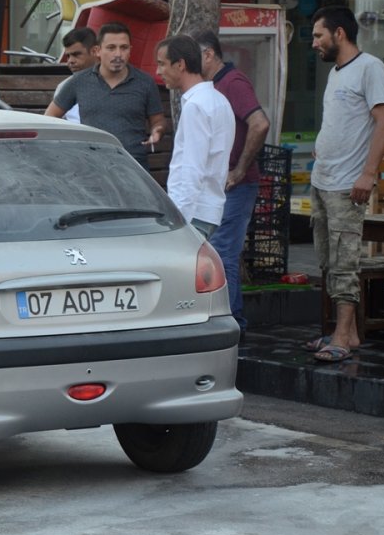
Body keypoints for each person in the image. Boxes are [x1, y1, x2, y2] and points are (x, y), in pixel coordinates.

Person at [307, 6, 384, 363]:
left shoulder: (370, 67)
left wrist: (368, 174)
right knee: (327, 259)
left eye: (318, 35)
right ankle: (348, 332)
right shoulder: (336, 74)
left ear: (338, 33)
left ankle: (342, 335)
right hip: (322, 179)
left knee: (345, 260)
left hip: (347, 184)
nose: (314, 43)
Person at [194, 29, 271, 336]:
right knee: (218, 250)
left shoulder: (233, 82)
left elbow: (260, 123)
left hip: (238, 184)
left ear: (208, 55)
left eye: (192, 56)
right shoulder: (212, 86)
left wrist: (239, 170)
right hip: (220, 184)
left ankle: (233, 321)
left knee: (223, 251)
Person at [46, 22, 166, 169]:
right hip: (91, 167)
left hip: (133, 168)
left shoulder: (145, 82)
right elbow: (50, 116)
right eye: (111, 48)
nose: (118, 54)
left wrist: (157, 131)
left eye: (124, 48)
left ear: (130, 50)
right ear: (97, 51)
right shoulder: (79, 81)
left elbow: (158, 121)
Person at [155, 34, 235, 239]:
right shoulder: (218, 100)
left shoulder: (197, 105)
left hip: (193, 213)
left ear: (180, 64)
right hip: (206, 209)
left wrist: (179, 218)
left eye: (162, 64)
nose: (158, 71)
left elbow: (192, 168)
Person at [54, 27, 100, 123]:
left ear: (95, 51)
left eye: (76, 54)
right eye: (68, 56)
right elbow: (53, 122)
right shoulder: (64, 86)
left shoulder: (112, 82)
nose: (70, 61)